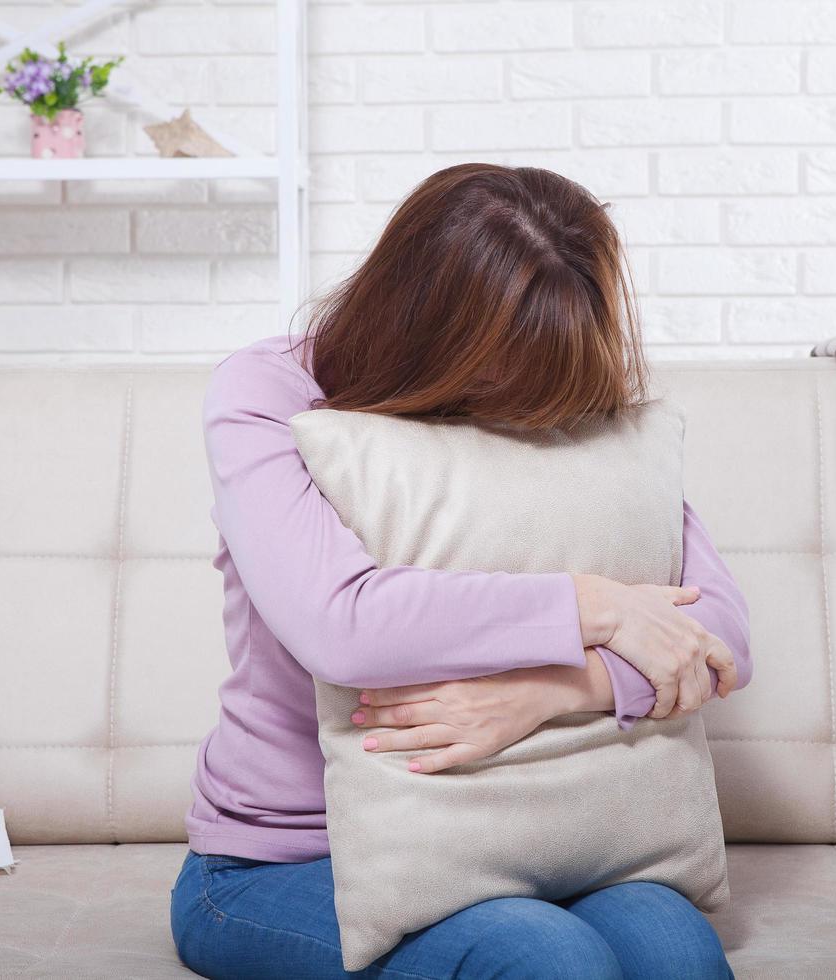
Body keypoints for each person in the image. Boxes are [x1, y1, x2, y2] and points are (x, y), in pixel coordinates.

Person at [171, 163, 751, 979]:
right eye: (495, 373)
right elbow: (342, 624)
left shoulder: (564, 399)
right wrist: (597, 608)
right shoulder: (269, 393)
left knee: (673, 947)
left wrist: (549, 693)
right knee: (549, 959)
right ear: (421, 323)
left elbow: (719, 635)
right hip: (289, 859)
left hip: (553, 834)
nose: (515, 411)